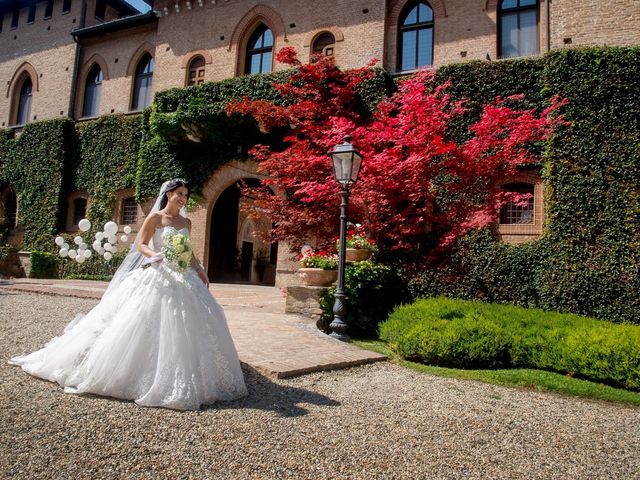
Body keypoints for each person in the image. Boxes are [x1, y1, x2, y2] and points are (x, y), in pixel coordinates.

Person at [9, 179, 247, 410]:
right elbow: (141, 244)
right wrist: (154, 256)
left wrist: (199, 270)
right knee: (141, 321)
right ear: (168, 194)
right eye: (179, 193)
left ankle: (189, 372)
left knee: (189, 322)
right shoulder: (155, 218)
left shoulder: (186, 222)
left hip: (184, 276)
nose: (182, 198)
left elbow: (189, 252)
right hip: (158, 272)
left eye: (185, 194)